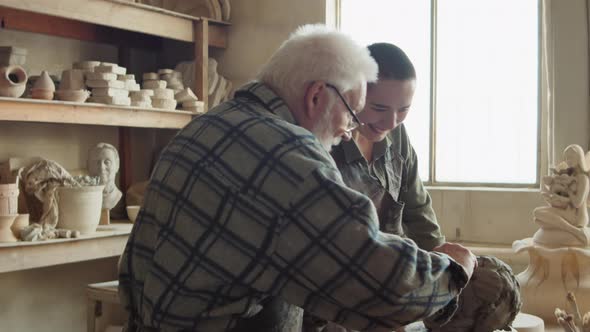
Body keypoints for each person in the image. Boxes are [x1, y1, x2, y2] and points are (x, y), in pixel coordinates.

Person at [118, 24, 476, 332]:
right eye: (351, 115)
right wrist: (453, 271)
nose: (348, 132)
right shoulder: (291, 159)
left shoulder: (205, 126)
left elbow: (134, 264)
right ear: (316, 95)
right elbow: (379, 285)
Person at [331, 42, 443, 251]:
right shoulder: (327, 143)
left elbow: (419, 213)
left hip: (404, 266)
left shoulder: (397, 134)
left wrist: (448, 268)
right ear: (354, 94)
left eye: (403, 110)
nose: (391, 123)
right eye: (379, 108)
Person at [87, 142, 122, 210]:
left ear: (117, 165)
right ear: (88, 166)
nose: (101, 167)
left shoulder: (120, 198)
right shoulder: (84, 198)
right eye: (96, 162)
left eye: (107, 162)